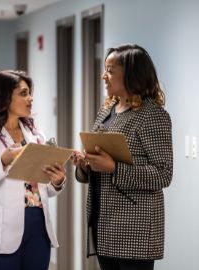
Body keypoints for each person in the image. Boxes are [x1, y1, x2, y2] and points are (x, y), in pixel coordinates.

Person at [72, 44, 173, 270]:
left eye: (110, 70)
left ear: (130, 74)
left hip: (135, 229)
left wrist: (114, 168)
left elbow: (164, 173)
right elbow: (100, 162)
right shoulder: (106, 111)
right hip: (103, 221)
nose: (103, 76)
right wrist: (85, 165)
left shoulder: (153, 116)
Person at [0, 70, 66, 270]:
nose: (30, 98)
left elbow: (44, 189)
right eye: (23, 93)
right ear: (3, 97)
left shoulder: (36, 137)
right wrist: (2, 162)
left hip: (38, 229)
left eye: (30, 93)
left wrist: (57, 181)